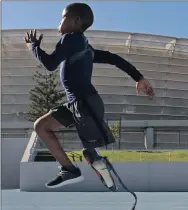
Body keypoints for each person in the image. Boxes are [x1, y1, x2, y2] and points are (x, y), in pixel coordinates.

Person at [24, 3, 155, 189]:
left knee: (90, 152)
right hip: (78, 104)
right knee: (42, 126)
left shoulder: (70, 38)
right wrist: (138, 77)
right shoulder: (84, 47)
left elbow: (51, 63)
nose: (59, 22)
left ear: (76, 21)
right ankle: (69, 169)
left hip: (86, 104)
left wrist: (34, 47)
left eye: (63, 17)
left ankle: (103, 175)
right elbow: (113, 58)